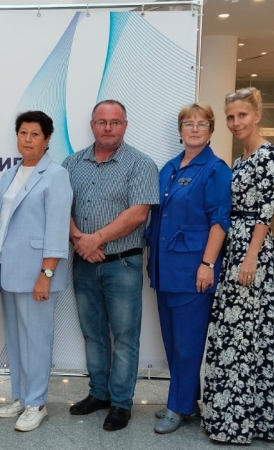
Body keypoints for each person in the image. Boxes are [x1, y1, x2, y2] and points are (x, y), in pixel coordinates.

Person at [62, 99, 159, 431]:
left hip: (123, 264)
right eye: (102, 122)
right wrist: (80, 240)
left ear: (125, 126)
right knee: (93, 334)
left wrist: (95, 239)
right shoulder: (72, 163)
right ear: (92, 125)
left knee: (125, 336)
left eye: (115, 122)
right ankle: (98, 393)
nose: (108, 127)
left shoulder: (140, 164)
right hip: (83, 262)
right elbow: (61, 207)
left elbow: (138, 213)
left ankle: (120, 403)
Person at [200, 87, 274, 444]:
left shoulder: (268, 155)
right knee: (234, 335)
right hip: (235, 247)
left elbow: (266, 211)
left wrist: (250, 257)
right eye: (231, 117)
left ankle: (248, 422)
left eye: (242, 116)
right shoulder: (241, 158)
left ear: (257, 116)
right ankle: (230, 417)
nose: (236, 123)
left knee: (250, 335)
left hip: (253, 253)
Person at [145, 103, 231, 434]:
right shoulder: (169, 167)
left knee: (188, 343)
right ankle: (188, 400)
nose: (195, 129)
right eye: (188, 124)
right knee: (173, 341)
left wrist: (207, 264)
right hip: (165, 269)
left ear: (211, 130)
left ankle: (178, 407)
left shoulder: (215, 170)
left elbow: (219, 221)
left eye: (202, 123)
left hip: (193, 270)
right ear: (180, 130)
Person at [0, 111, 72, 432]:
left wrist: (46, 275)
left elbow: (57, 228)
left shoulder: (56, 175)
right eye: (23, 132)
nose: (27, 139)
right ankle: (21, 396)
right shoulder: (9, 174)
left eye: (35, 134)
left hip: (38, 273)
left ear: (47, 139)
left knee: (37, 339)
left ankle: (37, 402)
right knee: (15, 338)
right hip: (8, 269)